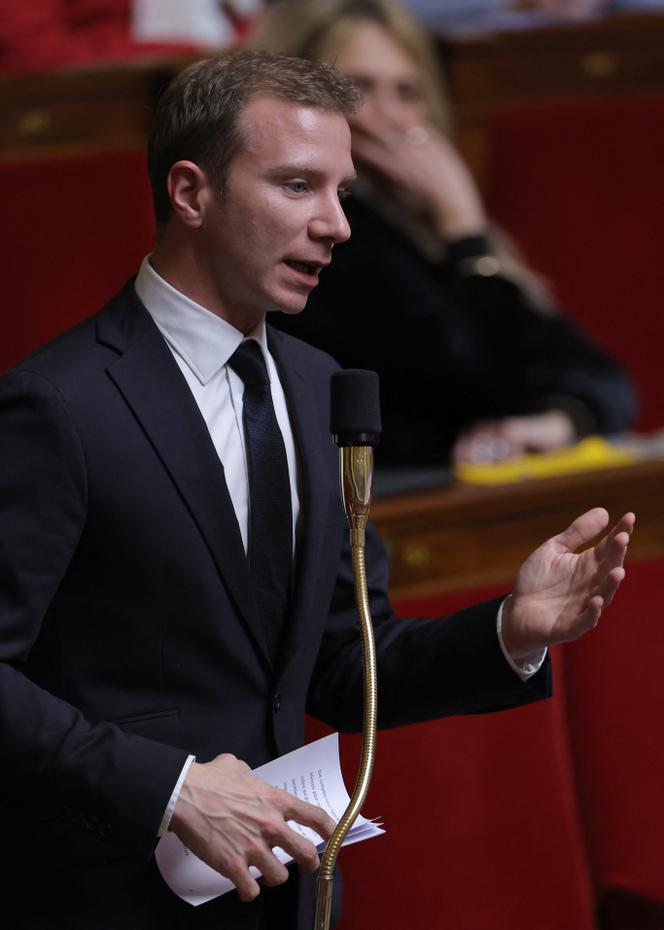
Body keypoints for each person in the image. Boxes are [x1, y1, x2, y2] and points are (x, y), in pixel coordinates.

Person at [0, 49, 633, 930]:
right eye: (298, 186)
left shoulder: (314, 384)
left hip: (282, 894)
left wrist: (510, 631)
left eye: (341, 192)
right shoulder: (59, 403)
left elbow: (341, 662)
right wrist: (171, 787)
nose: (337, 225)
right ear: (191, 193)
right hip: (104, 901)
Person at [253, 0, 636, 466]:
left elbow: (604, 379)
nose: (392, 117)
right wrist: (465, 232)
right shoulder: (314, 238)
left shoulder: (418, 223)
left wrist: (561, 421)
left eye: (407, 91)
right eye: (356, 88)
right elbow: (491, 387)